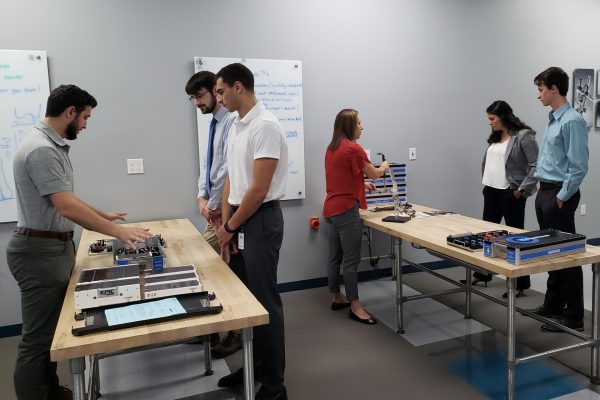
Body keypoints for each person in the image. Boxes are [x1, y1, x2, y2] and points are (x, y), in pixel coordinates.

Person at [7, 84, 151, 400]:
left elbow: (66, 197)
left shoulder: (47, 145)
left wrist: (104, 216)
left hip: (50, 248)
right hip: (39, 252)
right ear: (70, 112)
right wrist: (119, 233)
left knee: (50, 334)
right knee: (38, 338)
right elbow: (67, 207)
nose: (85, 125)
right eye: (85, 117)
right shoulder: (42, 150)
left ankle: (50, 389)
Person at [214, 63, 288, 400]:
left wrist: (230, 226)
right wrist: (226, 224)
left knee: (265, 302)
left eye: (221, 91)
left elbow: (258, 190)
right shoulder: (236, 126)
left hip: (261, 220)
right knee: (246, 302)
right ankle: (255, 365)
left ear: (238, 86)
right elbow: (232, 178)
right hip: (240, 220)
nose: (219, 98)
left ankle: (274, 386)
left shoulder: (266, 126)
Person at [184, 71, 242, 358]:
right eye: (192, 98)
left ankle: (232, 331)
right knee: (214, 267)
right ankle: (212, 329)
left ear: (216, 92)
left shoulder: (231, 121)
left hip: (226, 209)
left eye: (199, 96)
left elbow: (226, 170)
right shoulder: (213, 124)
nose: (196, 103)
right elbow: (207, 165)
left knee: (217, 269)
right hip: (214, 208)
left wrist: (216, 204)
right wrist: (200, 197)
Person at [527, 67, 589, 333]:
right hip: (545, 192)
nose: (538, 95)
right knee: (551, 253)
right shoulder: (553, 119)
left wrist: (562, 196)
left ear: (554, 89)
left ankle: (574, 316)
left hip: (559, 195)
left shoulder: (572, 120)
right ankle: (553, 305)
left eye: (541, 89)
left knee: (568, 256)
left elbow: (579, 166)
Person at [461, 101, 538, 298]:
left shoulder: (523, 135)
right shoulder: (495, 137)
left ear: (503, 116)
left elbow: (536, 165)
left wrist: (521, 191)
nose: (490, 123)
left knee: (515, 239)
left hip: (510, 193)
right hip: (491, 191)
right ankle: (483, 273)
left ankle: (520, 284)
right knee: (487, 236)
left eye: (492, 118)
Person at [323, 109, 389, 325]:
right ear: (350, 126)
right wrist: (384, 167)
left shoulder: (332, 148)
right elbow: (375, 173)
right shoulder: (353, 148)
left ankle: (336, 296)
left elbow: (344, 175)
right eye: (359, 123)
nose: (362, 126)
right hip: (346, 211)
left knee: (335, 257)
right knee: (351, 261)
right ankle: (355, 306)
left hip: (331, 209)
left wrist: (362, 183)